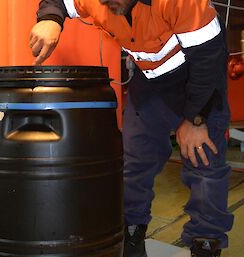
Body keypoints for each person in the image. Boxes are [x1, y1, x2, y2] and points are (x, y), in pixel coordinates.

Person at [29, 1, 234, 257]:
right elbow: (58, 1)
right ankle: (132, 233)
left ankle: (206, 242)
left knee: (204, 162)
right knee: (135, 158)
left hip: (199, 75)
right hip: (150, 81)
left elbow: (209, 57)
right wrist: (50, 19)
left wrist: (196, 120)